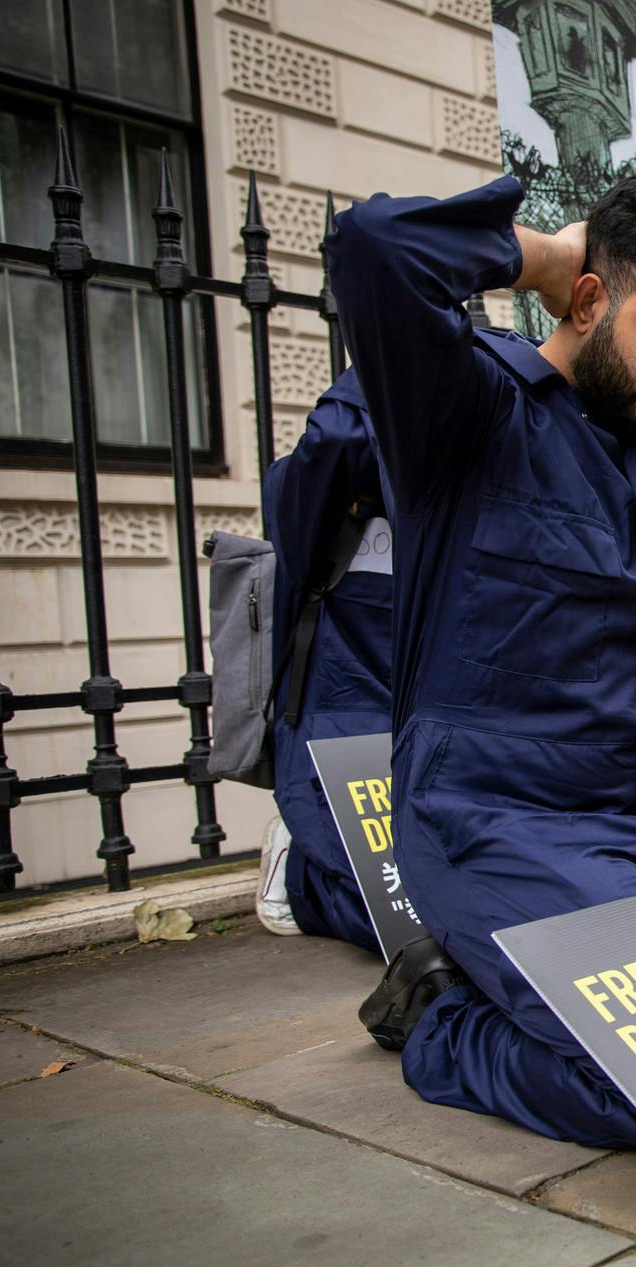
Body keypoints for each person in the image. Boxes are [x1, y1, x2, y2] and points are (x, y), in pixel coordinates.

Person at [327, 173, 636, 1148]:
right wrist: (558, 258)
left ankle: (521, 971)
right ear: (593, 302)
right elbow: (375, 247)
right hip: (511, 825)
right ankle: (443, 1012)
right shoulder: (467, 412)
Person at [257, 371, 391, 952]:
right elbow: (334, 442)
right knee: (394, 926)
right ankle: (296, 867)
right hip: (344, 697)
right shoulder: (315, 480)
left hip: (426, 703)